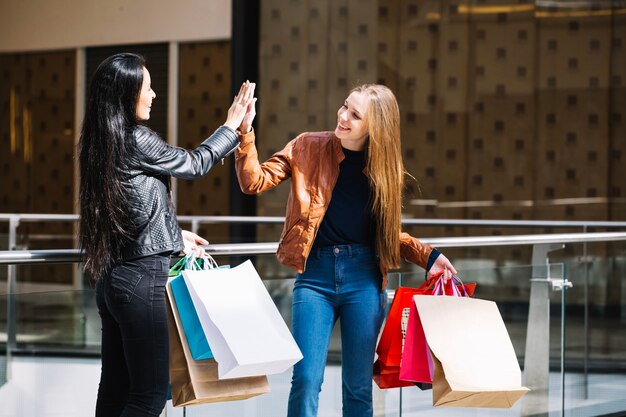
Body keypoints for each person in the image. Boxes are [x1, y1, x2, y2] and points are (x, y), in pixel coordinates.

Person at [234, 84, 457, 417]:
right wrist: (245, 131)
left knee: (357, 387)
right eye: (344, 107)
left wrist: (428, 255)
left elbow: (388, 233)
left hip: (363, 280)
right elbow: (253, 181)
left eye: (355, 114)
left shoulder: (384, 170)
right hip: (314, 278)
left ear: (375, 126)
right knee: (306, 379)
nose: (343, 116)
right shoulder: (308, 146)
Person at [78, 52, 255, 417]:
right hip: (143, 281)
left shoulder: (100, 141)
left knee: (115, 390)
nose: (154, 94)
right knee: (149, 395)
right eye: (147, 87)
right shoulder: (136, 138)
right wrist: (232, 126)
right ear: (128, 94)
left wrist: (173, 235)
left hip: (114, 282)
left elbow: (128, 207)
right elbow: (195, 163)